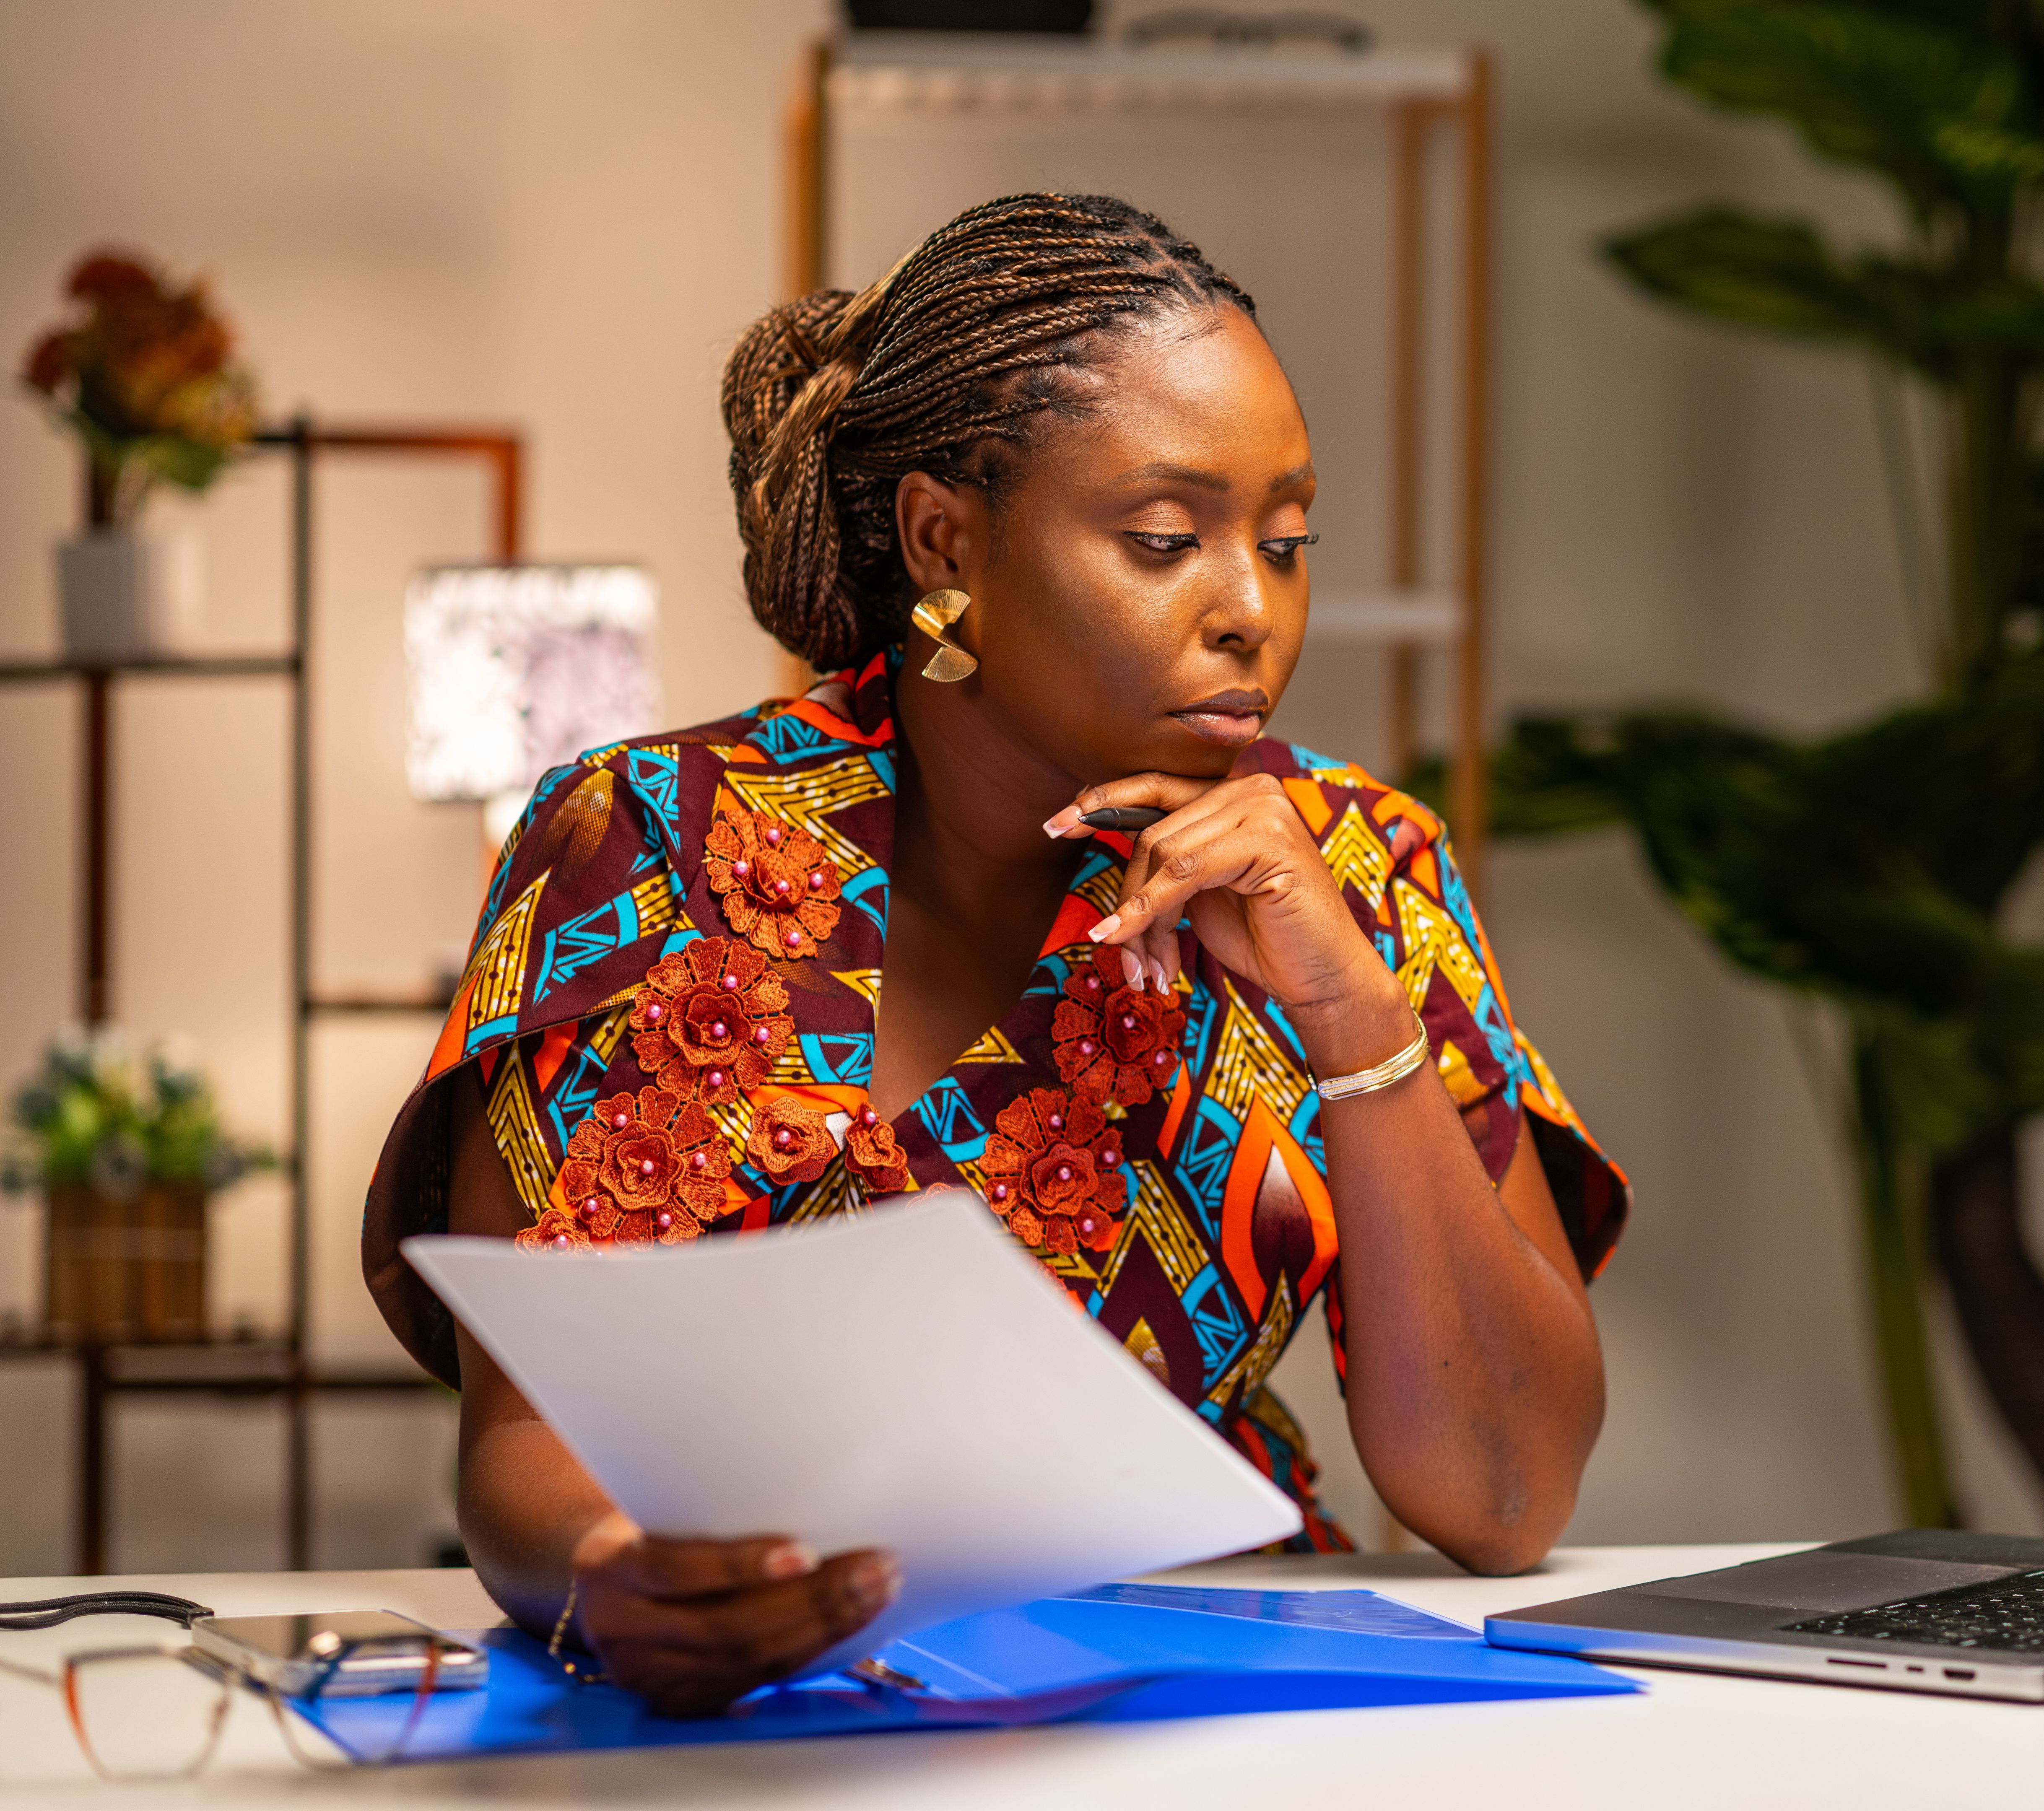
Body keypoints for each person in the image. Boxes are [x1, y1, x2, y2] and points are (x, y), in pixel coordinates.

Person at [361, 194, 1627, 1718]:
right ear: (944, 541)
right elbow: (528, 1443)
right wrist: (617, 1577)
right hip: (763, 1714)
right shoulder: (654, 841)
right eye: (1167, 541)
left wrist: (1351, 1008)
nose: (1253, 611)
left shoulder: (1355, 866)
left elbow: (1505, 1498)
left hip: (1204, 1700)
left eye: (1287, 542)